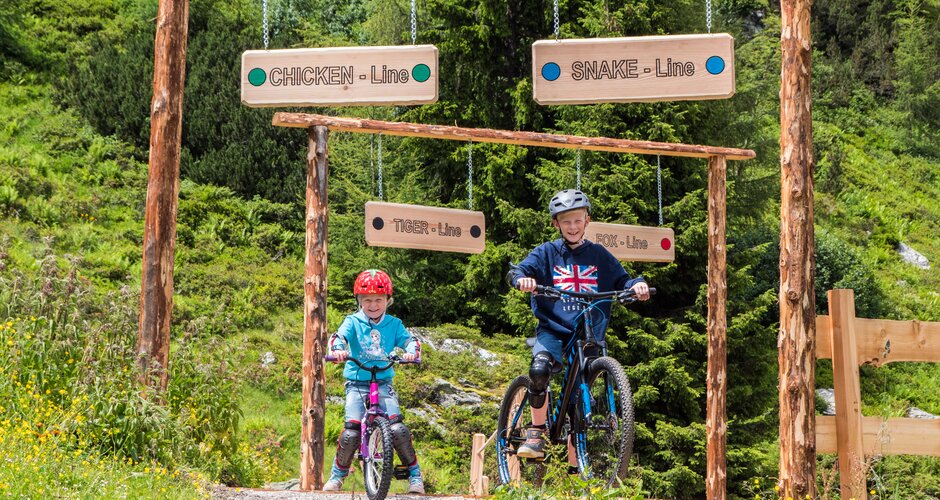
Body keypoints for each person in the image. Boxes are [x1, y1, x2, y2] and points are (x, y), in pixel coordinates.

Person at [506, 189, 650, 467]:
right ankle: (537, 432)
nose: (572, 227)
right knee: (539, 370)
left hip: (587, 332)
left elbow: (624, 280)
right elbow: (518, 271)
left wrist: (637, 286)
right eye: (566, 221)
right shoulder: (546, 253)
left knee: (577, 403)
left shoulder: (599, 255)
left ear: (587, 221)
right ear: (556, 224)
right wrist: (521, 280)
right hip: (553, 328)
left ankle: (576, 473)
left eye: (577, 220)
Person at [323, 269, 425, 494]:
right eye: (366, 299)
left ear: (388, 300)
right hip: (357, 382)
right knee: (351, 431)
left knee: (397, 428)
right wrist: (339, 350)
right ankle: (337, 476)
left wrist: (410, 353)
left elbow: (411, 342)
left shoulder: (394, 324)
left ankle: (415, 476)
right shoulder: (353, 321)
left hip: (383, 383)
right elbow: (337, 337)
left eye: (379, 299)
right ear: (358, 300)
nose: (373, 304)